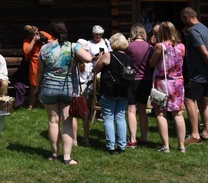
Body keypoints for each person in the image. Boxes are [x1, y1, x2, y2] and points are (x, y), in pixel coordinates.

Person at [36, 20, 93, 165]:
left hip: (49, 88)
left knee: (53, 121)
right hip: (68, 89)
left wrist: (37, 88)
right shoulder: (73, 46)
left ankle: (54, 155)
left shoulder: (44, 49)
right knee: (66, 123)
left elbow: (40, 71)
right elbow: (88, 58)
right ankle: (67, 158)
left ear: (52, 33)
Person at [180, 7, 208, 144]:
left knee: (188, 100)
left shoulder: (193, 31)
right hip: (207, 75)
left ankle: (195, 134)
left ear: (186, 18)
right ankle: (206, 132)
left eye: (182, 20)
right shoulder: (205, 29)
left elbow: (203, 51)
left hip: (197, 74)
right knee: (205, 100)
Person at [149, 21, 186, 153]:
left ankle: (166, 146)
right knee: (178, 113)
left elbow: (152, 63)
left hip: (163, 82)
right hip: (177, 82)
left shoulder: (160, 46)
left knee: (160, 113)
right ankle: (181, 145)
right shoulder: (182, 47)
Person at [94, 33, 132, 154]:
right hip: (124, 90)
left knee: (108, 118)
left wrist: (100, 59)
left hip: (109, 90)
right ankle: (122, 145)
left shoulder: (107, 55)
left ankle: (110, 146)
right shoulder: (128, 58)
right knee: (120, 117)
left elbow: (96, 69)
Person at [126, 23, 153, 148]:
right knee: (142, 110)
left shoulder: (129, 47)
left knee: (131, 110)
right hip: (146, 80)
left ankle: (132, 139)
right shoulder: (150, 47)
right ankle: (144, 137)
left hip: (132, 80)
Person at [22, 25, 53, 109]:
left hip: (46, 60)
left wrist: (45, 40)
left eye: (37, 33)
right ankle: (31, 104)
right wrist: (34, 40)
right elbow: (27, 51)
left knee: (46, 82)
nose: (37, 35)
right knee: (34, 85)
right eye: (34, 34)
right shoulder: (27, 41)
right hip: (35, 62)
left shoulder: (42, 34)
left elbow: (54, 42)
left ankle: (45, 103)